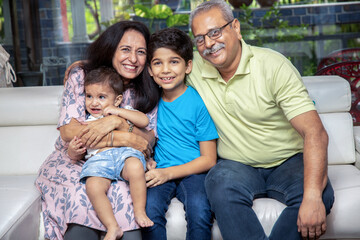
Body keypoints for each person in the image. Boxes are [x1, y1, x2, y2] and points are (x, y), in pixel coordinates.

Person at [187, 1, 335, 240]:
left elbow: (315, 133)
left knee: (321, 193)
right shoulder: (191, 68)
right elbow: (149, 70)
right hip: (236, 166)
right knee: (219, 183)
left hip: (288, 161)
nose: (209, 44)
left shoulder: (273, 66)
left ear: (235, 27)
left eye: (215, 32)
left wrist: (312, 197)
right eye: (200, 38)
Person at [35, 20, 160, 240]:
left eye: (141, 52)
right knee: (84, 190)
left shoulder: (147, 88)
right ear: (110, 48)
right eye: (125, 49)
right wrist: (122, 135)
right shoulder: (82, 76)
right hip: (76, 158)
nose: (133, 59)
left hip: (121, 161)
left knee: (124, 193)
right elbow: (68, 131)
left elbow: (146, 141)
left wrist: (118, 122)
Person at [141, 28, 218, 240]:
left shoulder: (198, 103)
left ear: (188, 66)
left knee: (200, 209)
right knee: (148, 210)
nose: (166, 70)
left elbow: (209, 159)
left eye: (174, 62)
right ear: (149, 69)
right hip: (161, 171)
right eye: (158, 63)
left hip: (194, 172)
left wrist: (168, 173)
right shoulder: (149, 102)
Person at [67, 66, 154, 240]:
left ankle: (139, 212)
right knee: (93, 186)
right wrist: (72, 151)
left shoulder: (124, 111)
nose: (93, 102)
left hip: (125, 156)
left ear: (117, 99)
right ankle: (112, 226)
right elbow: (77, 150)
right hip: (98, 160)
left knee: (136, 168)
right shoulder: (86, 122)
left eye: (101, 97)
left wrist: (118, 114)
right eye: (89, 96)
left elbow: (144, 120)